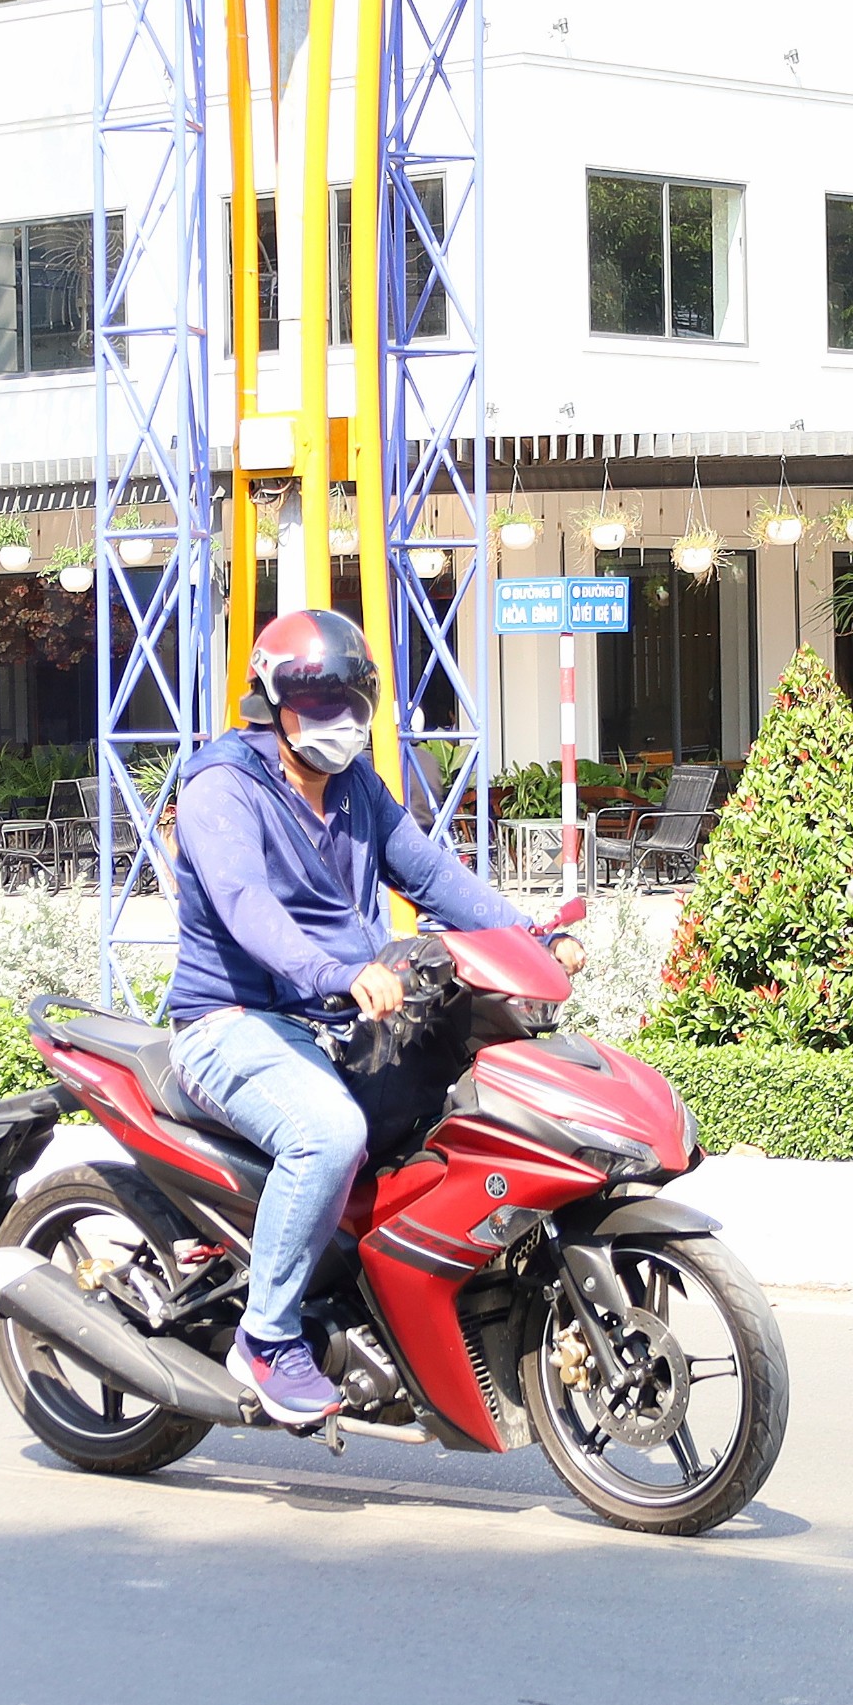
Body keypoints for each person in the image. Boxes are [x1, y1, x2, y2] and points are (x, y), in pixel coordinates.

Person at [167, 609, 583, 1428]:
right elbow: (251, 911)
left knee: (453, 1098)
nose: (341, 725)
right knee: (328, 1134)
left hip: (332, 1011)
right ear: (272, 706)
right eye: (320, 708)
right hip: (232, 1021)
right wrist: (342, 972)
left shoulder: (356, 785)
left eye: (354, 705)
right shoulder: (221, 788)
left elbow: (432, 874)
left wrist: (527, 937)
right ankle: (268, 1336)